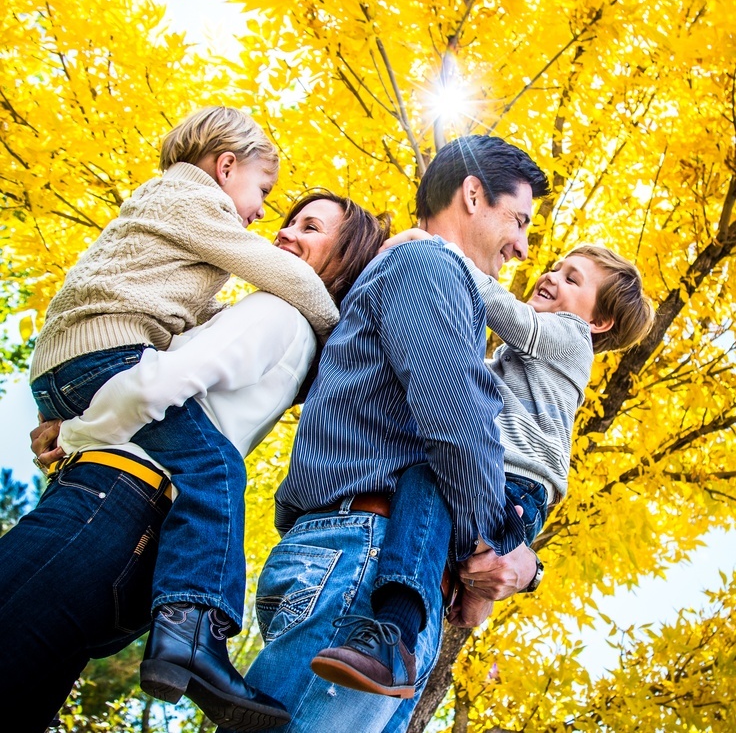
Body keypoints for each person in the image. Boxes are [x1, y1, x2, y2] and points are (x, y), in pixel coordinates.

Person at [0, 188, 388, 733]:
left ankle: (193, 636)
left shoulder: (274, 309)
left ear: (344, 258)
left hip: (108, 506)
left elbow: (160, 385)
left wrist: (74, 431)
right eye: (288, 221)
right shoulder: (306, 352)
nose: (283, 234)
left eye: (310, 229)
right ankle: (190, 633)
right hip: (152, 555)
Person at [242, 134, 550, 733]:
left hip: (379, 576)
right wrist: (501, 536)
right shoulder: (428, 264)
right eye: (518, 220)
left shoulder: (410, 270)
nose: (521, 245)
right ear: (471, 194)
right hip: (366, 562)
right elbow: (454, 416)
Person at [310, 239, 655, 696]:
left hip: (516, 483)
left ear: (598, 321)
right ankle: (462, 592)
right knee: (436, 498)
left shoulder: (570, 339)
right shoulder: (514, 363)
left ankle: (394, 635)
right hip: (504, 482)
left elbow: (504, 310)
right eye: (555, 267)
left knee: (430, 475)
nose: (551, 276)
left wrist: (441, 255)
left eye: (572, 278)